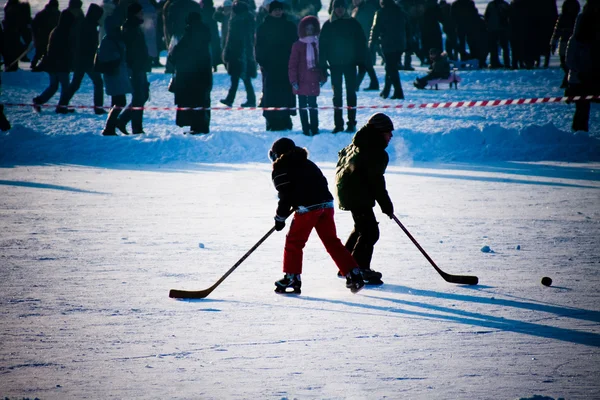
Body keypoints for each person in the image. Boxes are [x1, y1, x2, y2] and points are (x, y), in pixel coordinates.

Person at [269, 137, 365, 295]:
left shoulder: (280, 169)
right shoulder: (308, 163)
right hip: (326, 205)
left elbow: (285, 197)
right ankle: (353, 273)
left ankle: (292, 278)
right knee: (332, 241)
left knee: (294, 242)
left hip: (308, 209)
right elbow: (321, 183)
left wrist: (280, 218)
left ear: (277, 155)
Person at [335, 113, 394, 285]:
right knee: (370, 232)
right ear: (379, 132)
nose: (391, 136)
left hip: (349, 190)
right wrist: (386, 204)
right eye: (388, 132)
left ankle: (345, 265)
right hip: (356, 193)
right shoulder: (373, 151)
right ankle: (359, 269)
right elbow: (376, 182)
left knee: (362, 228)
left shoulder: (360, 142)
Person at [319, 0, 367, 133]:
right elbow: (322, 46)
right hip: (334, 65)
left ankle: (351, 122)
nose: (339, 9)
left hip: (350, 65)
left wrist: (362, 62)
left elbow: (361, 44)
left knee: (351, 94)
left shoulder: (353, 23)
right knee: (337, 96)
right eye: (337, 7)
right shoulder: (328, 25)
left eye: (342, 7)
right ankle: (338, 124)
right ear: (333, 9)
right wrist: (322, 64)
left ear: (346, 8)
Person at [255, 0, 297, 130]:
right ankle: (271, 121)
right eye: (275, 10)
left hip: (286, 65)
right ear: (270, 11)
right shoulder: (263, 27)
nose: (278, 12)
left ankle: (285, 119)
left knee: (286, 93)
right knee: (270, 94)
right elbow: (258, 47)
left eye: (279, 9)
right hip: (270, 67)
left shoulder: (289, 26)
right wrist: (262, 61)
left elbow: (295, 44)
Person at [168, 11, 213, 134]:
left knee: (193, 101)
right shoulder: (205, 34)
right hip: (204, 74)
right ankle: (203, 126)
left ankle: (196, 127)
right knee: (202, 100)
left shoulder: (189, 35)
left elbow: (176, 53)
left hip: (191, 76)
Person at [115, 2, 151, 134]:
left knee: (142, 96)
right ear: (134, 14)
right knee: (139, 97)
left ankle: (123, 120)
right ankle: (136, 128)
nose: (142, 15)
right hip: (134, 68)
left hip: (139, 67)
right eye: (140, 13)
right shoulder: (129, 28)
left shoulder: (134, 27)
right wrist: (137, 66)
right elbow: (132, 51)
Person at [565, 0, 600, 132]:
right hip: (582, 77)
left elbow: (570, 60)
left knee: (582, 109)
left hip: (581, 77)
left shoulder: (578, 39)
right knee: (582, 110)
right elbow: (571, 60)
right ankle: (580, 135)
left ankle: (579, 134)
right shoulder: (579, 40)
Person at [64, 3, 106, 115]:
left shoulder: (82, 23)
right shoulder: (90, 26)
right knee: (98, 82)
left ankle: (62, 104)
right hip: (88, 60)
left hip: (79, 59)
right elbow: (90, 45)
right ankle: (98, 107)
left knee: (75, 83)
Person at [289, 15, 326, 136]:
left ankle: (314, 128)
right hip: (301, 80)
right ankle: (305, 128)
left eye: (311, 28)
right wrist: (293, 80)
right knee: (303, 106)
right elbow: (293, 64)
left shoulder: (317, 44)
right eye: (307, 28)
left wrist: (322, 76)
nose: (309, 31)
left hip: (313, 79)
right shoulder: (297, 45)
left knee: (313, 104)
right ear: (303, 29)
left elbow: (321, 62)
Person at [32, 10, 75, 114]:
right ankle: (61, 107)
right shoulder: (65, 32)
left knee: (53, 86)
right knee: (65, 87)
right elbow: (67, 50)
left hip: (52, 64)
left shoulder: (55, 30)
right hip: (61, 64)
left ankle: (39, 101)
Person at [97, 10, 133, 136]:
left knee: (117, 101)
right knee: (119, 101)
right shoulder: (109, 40)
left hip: (118, 74)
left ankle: (110, 127)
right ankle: (109, 128)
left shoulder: (114, 38)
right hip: (114, 74)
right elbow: (107, 57)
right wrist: (117, 57)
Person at [220, 0, 257, 107]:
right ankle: (232, 99)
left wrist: (228, 52)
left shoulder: (238, 21)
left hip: (239, 54)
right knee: (238, 78)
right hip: (241, 53)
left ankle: (248, 99)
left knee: (243, 78)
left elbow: (232, 39)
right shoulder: (244, 20)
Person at [369, 0, 407, 99]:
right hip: (400, 44)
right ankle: (386, 90)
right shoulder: (399, 11)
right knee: (390, 67)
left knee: (391, 68)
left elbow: (375, 29)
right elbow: (407, 27)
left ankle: (398, 91)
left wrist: (371, 44)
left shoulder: (380, 13)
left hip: (388, 44)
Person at [550, 0, 581, 88]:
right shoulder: (563, 17)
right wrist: (553, 42)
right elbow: (557, 31)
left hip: (574, 43)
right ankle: (568, 79)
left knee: (570, 63)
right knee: (564, 63)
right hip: (564, 43)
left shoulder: (576, 18)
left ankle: (568, 80)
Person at [352, 0, 379, 91]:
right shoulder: (356, 10)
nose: (355, 1)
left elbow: (372, 25)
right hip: (358, 41)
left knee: (363, 64)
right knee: (367, 64)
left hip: (366, 40)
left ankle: (356, 85)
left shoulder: (368, 9)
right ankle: (374, 83)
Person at [30, 0, 60, 71]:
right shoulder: (42, 14)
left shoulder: (58, 14)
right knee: (40, 51)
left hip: (52, 37)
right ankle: (34, 64)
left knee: (48, 52)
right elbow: (34, 26)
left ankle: (42, 65)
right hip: (42, 37)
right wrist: (36, 36)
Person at [484, 0, 511, 68]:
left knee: (494, 47)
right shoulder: (504, 5)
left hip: (494, 29)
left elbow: (486, 16)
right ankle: (505, 63)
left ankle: (495, 63)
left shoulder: (491, 5)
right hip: (501, 28)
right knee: (504, 47)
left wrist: (487, 26)